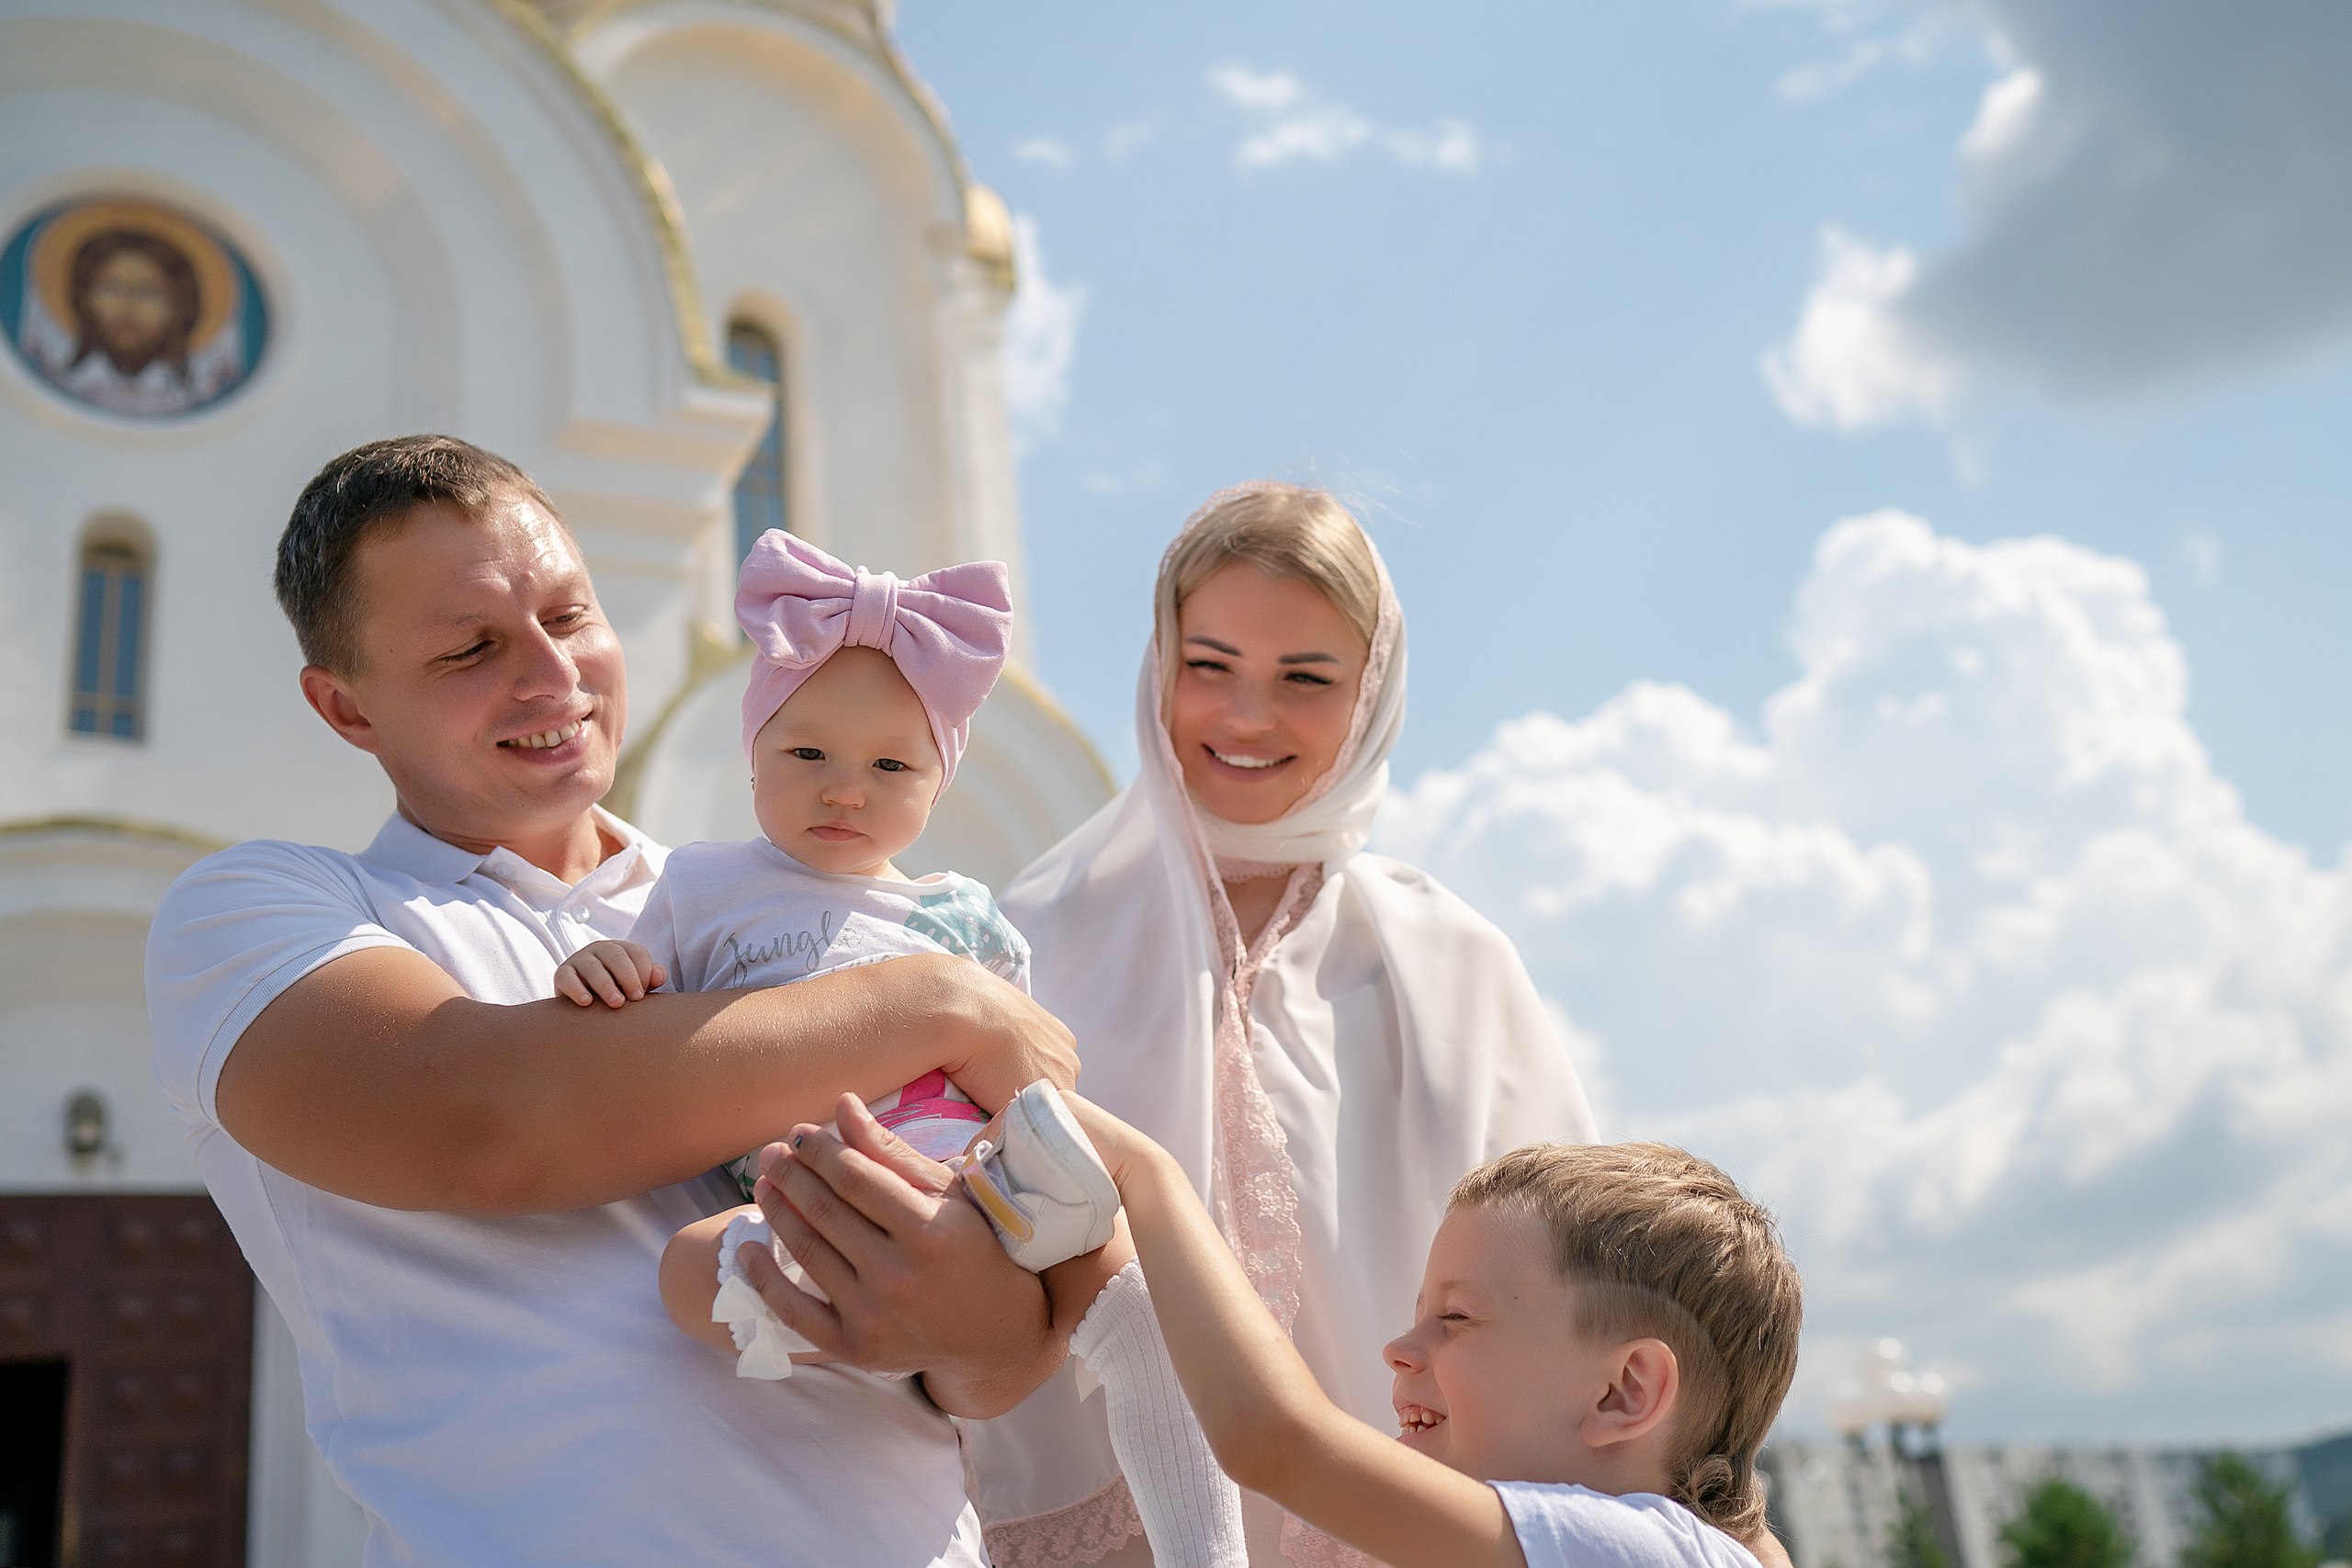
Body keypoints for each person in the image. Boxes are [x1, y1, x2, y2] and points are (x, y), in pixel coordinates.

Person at [144, 435, 1106, 1567]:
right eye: (470, 648)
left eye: (569, 616)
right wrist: (937, 1000)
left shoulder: (771, 892)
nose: (552, 676)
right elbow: (481, 1124)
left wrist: (985, 1333)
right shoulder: (258, 914)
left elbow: (990, 1368)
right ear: (347, 709)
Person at [550, 531, 1247, 1568]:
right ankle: (831, 1324)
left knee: (1142, 1302)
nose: (846, 790)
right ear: (753, 755)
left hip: (981, 1179)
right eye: (807, 756)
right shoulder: (702, 885)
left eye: (890, 765)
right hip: (811, 1187)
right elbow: (641, 1004)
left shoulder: (959, 912)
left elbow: (1029, 1065)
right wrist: (603, 962)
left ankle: (1210, 1556)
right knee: (690, 1270)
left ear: (938, 782)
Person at [960, 482, 1602, 1566]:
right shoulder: (1027, 942)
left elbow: (1584, 1288)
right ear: (1159, 663)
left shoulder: (1452, 963)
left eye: (1306, 678)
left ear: (1372, 693)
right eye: (1209, 665)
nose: (1247, 716)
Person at [1040, 1104, 1804, 1568]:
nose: (1400, 1348)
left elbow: (1274, 1441)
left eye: (1457, 1318)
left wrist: (1146, 1174)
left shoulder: (1640, 1553)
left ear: (1623, 1390)